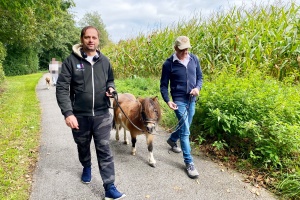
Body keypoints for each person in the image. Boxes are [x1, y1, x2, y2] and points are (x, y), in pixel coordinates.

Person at [56, 26, 125, 200]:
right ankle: (86, 166)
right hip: (79, 116)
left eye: (94, 37)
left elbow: (110, 80)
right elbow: (62, 88)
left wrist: (111, 89)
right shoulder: (71, 61)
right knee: (83, 146)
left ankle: (109, 186)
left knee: (104, 149)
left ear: (98, 40)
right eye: (87, 37)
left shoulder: (105, 61)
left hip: (102, 114)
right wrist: (68, 113)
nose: (91, 40)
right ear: (82, 39)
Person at [160, 36, 203, 179]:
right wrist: (167, 101)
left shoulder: (194, 59)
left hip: (192, 98)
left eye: (187, 49)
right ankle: (189, 163)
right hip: (179, 100)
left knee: (186, 126)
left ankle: (172, 139)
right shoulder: (168, 64)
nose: (186, 52)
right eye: (182, 50)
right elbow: (163, 86)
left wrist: (197, 88)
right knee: (186, 131)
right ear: (176, 49)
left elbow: (200, 78)